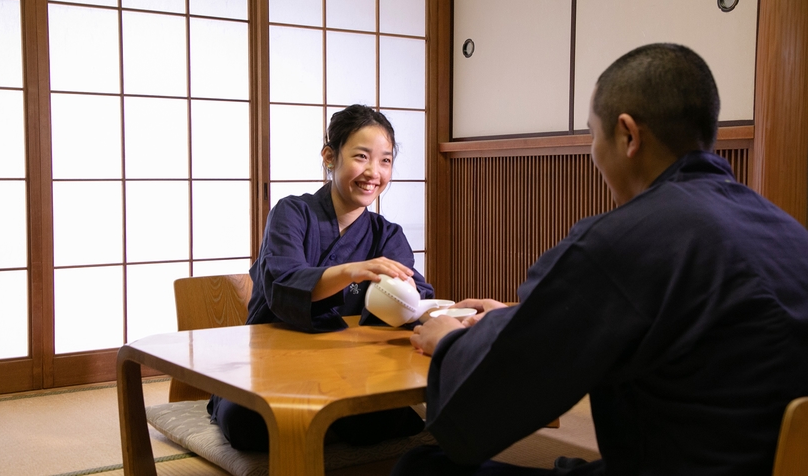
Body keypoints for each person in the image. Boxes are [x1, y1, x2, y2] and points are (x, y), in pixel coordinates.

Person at [393, 43, 808, 475]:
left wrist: (448, 342)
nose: (594, 152)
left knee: (423, 468)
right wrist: (519, 317)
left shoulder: (626, 240)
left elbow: (493, 401)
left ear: (628, 135)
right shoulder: (784, 227)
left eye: (594, 134)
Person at [207, 104, 434, 451]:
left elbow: (411, 293)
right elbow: (284, 283)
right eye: (361, 156)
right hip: (274, 362)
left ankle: (324, 423)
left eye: (385, 160)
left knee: (388, 419)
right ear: (330, 156)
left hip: (349, 369)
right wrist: (352, 271)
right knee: (249, 426)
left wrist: (426, 307)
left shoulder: (386, 234)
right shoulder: (292, 213)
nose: (374, 172)